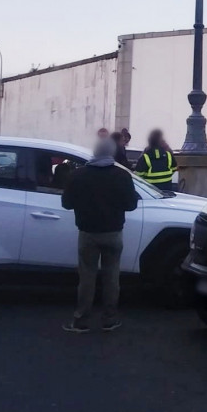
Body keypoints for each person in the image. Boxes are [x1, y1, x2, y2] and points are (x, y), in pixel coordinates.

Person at [61, 137, 137, 333]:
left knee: (87, 278)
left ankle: (81, 320)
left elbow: (66, 204)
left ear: (94, 152)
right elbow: (131, 204)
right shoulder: (122, 176)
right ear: (112, 153)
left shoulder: (78, 175)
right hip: (113, 233)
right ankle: (109, 319)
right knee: (112, 277)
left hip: (88, 233)